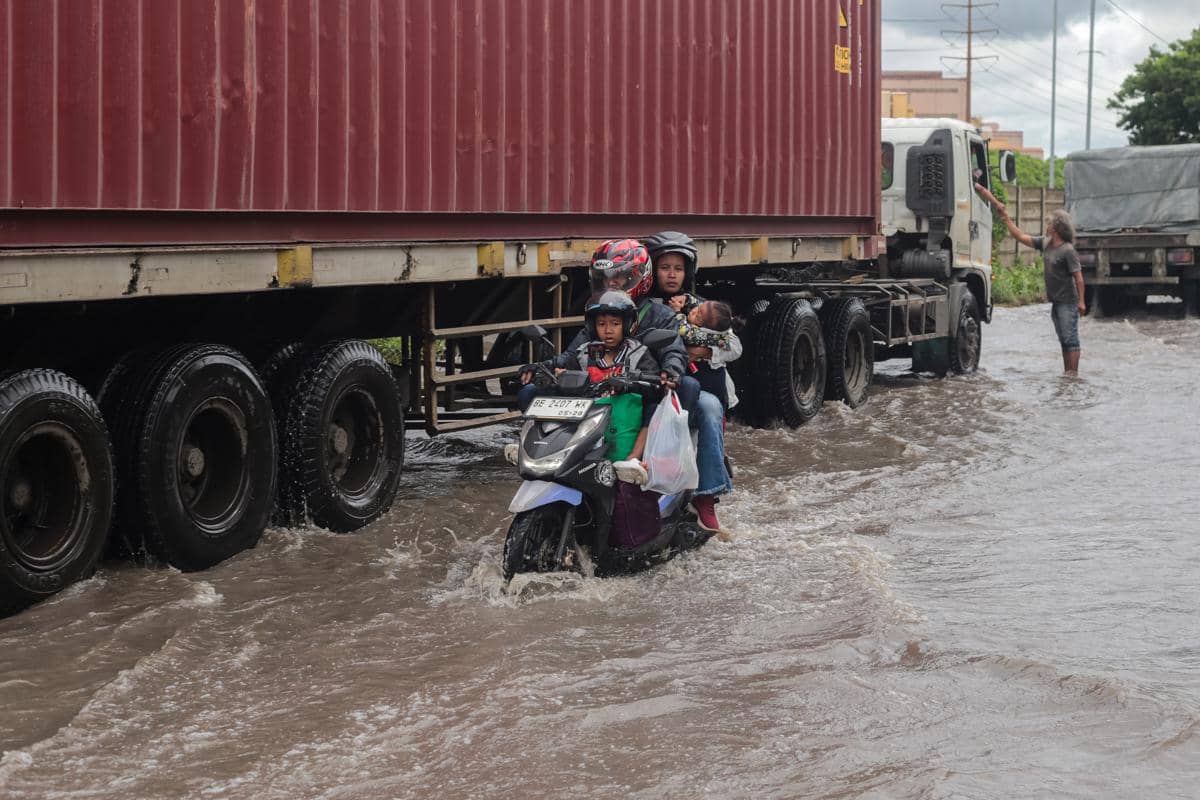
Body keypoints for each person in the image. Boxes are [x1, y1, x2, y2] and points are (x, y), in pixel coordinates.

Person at [518, 290, 665, 546]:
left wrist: (632, 382)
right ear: (592, 325)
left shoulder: (638, 353)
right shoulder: (584, 352)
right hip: (589, 425)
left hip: (624, 432)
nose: (608, 330)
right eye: (601, 324)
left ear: (627, 325)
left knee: (652, 406)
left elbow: (654, 384)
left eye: (615, 324)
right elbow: (563, 368)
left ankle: (633, 459)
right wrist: (545, 370)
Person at [644, 230, 736, 532]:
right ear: (651, 269)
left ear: (688, 272)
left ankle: (706, 497)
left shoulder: (702, 308)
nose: (672, 275)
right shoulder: (638, 304)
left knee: (710, 410)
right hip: (645, 383)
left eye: (678, 268)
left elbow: (734, 346)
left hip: (689, 389)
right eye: (665, 267)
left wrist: (707, 350)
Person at [975, 185, 1086, 375]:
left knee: (1071, 340)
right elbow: (1020, 236)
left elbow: (1079, 278)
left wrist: (1082, 302)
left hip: (1068, 303)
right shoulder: (1046, 243)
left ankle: (1073, 375)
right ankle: (1068, 374)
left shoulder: (1067, 250)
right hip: (1056, 303)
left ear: (1057, 228)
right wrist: (1004, 216)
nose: (1046, 225)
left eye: (1049, 223)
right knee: (1063, 340)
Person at [668, 295, 739, 411]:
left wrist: (677, 311)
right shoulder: (715, 329)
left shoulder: (705, 335)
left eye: (698, 312)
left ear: (703, 324)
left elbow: (683, 331)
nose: (694, 310)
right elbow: (703, 306)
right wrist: (687, 299)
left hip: (710, 384)